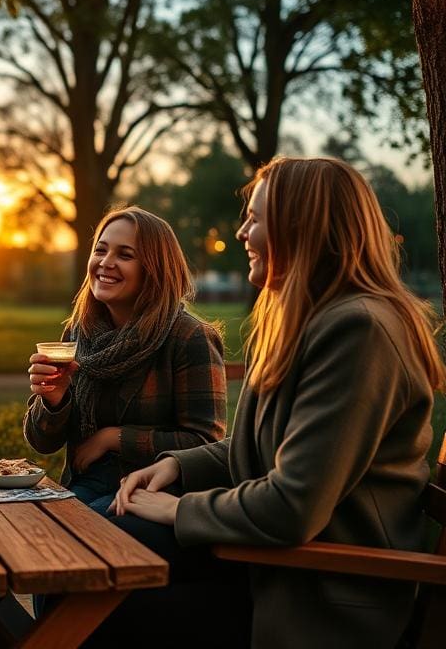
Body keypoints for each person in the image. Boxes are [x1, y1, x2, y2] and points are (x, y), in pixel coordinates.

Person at [108, 157, 445, 649]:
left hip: (322, 595)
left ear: (302, 226)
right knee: (100, 543)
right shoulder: (308, 319)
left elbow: (292, 506)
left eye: (256, 218)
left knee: (96, 594)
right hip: (268, 565)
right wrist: (179, 466)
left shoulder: (360, 331)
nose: (242, 232)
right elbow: (265, 443)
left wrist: (178, 510)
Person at [24, 205, 227, 514]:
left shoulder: (188, 337)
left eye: (125, 255)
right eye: (100, 250)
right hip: (87, 483)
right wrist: (54, 400)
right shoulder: (80, 333)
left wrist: (114, 438)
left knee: (86, 531)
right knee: (34, 525)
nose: (106, 262)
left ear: (154, 269)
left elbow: (205, 444)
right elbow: (43, 443)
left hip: (156, 491)